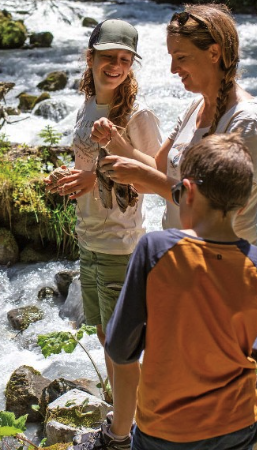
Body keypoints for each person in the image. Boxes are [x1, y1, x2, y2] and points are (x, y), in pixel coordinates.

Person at [84, 132, 257, 450]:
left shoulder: (155, 251)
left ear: (185, 192)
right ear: (243, 206)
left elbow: (120, 349)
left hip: (164, 428)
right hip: (238, 427)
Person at [45, 18, 162, 398]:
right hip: (90, 237)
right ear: (90, 56)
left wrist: (95, 177)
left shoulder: (137, 114)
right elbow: (87, 168)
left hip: (121, 241)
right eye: (109, 56)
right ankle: (122, 405)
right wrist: (68, 177)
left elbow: (156, 176)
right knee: (102, 331)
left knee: (120, 340)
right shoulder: (88, 105)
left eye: (126, 59)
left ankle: (134, 425)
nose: (116, 65)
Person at [91, 3, 257, 245]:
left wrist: (142, 174)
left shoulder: (246, 120)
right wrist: (114, 140)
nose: (173, 69)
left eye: (181, 57)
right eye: (172, 57)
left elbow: (221, 208)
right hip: (181, 254)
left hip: (221, 263)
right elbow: (159, 168)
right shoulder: (195, 108)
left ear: (214, 53)